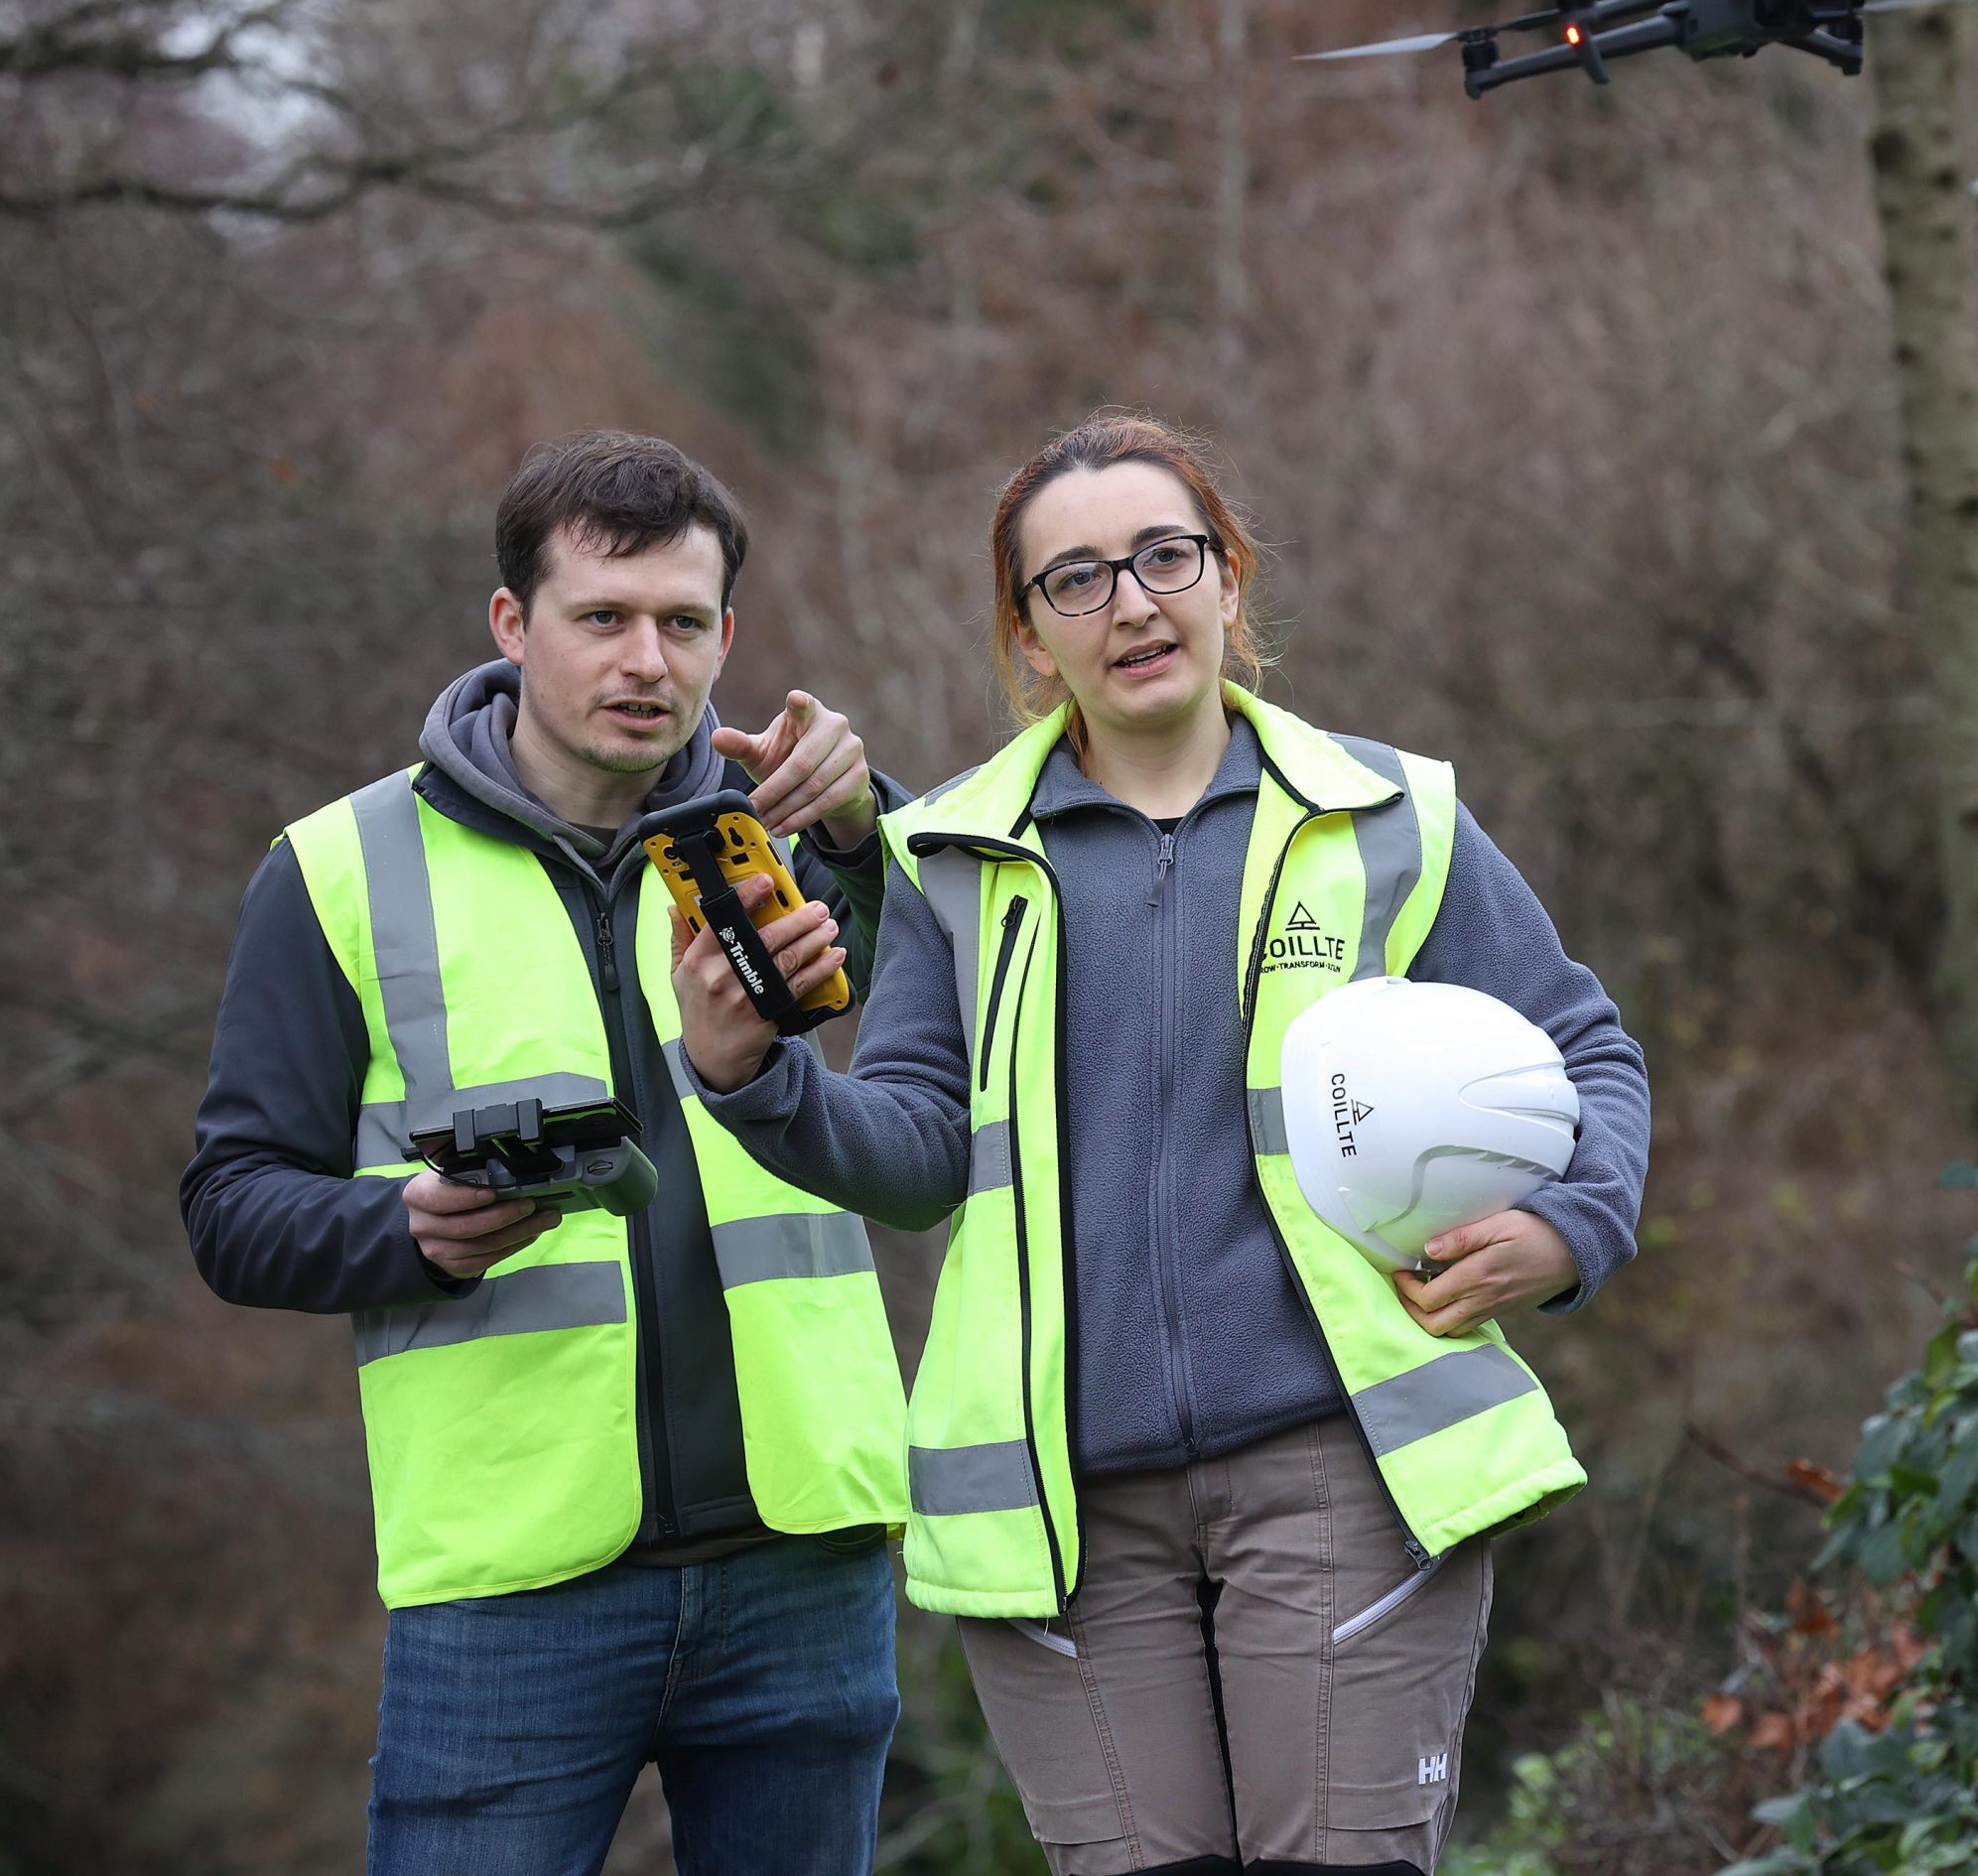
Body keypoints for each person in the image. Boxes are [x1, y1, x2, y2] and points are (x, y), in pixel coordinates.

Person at [675, 413, 1650, 1876]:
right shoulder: (950, 856)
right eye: (1076, 579)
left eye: (1163, 557)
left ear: (1229, 581)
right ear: (1029, 636)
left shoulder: (1391, 816)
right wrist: (752, 1078)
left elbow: (1591, 1049)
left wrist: (1574, 1225)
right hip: (1065, 1516)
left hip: (1344, 1465)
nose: (1130, 602)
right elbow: (923, 1149)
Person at [181, 431, 912, 1876]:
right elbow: (229, 1203)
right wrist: (405, 1231)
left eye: (684, 623)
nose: (648, 659)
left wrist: (870, 835)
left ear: (725, 635)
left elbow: (937, 1096)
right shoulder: (337, 868)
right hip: (512, 1587)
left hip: (806, 1558)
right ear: (514, 626)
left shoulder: (798, 839)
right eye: (603, 618)